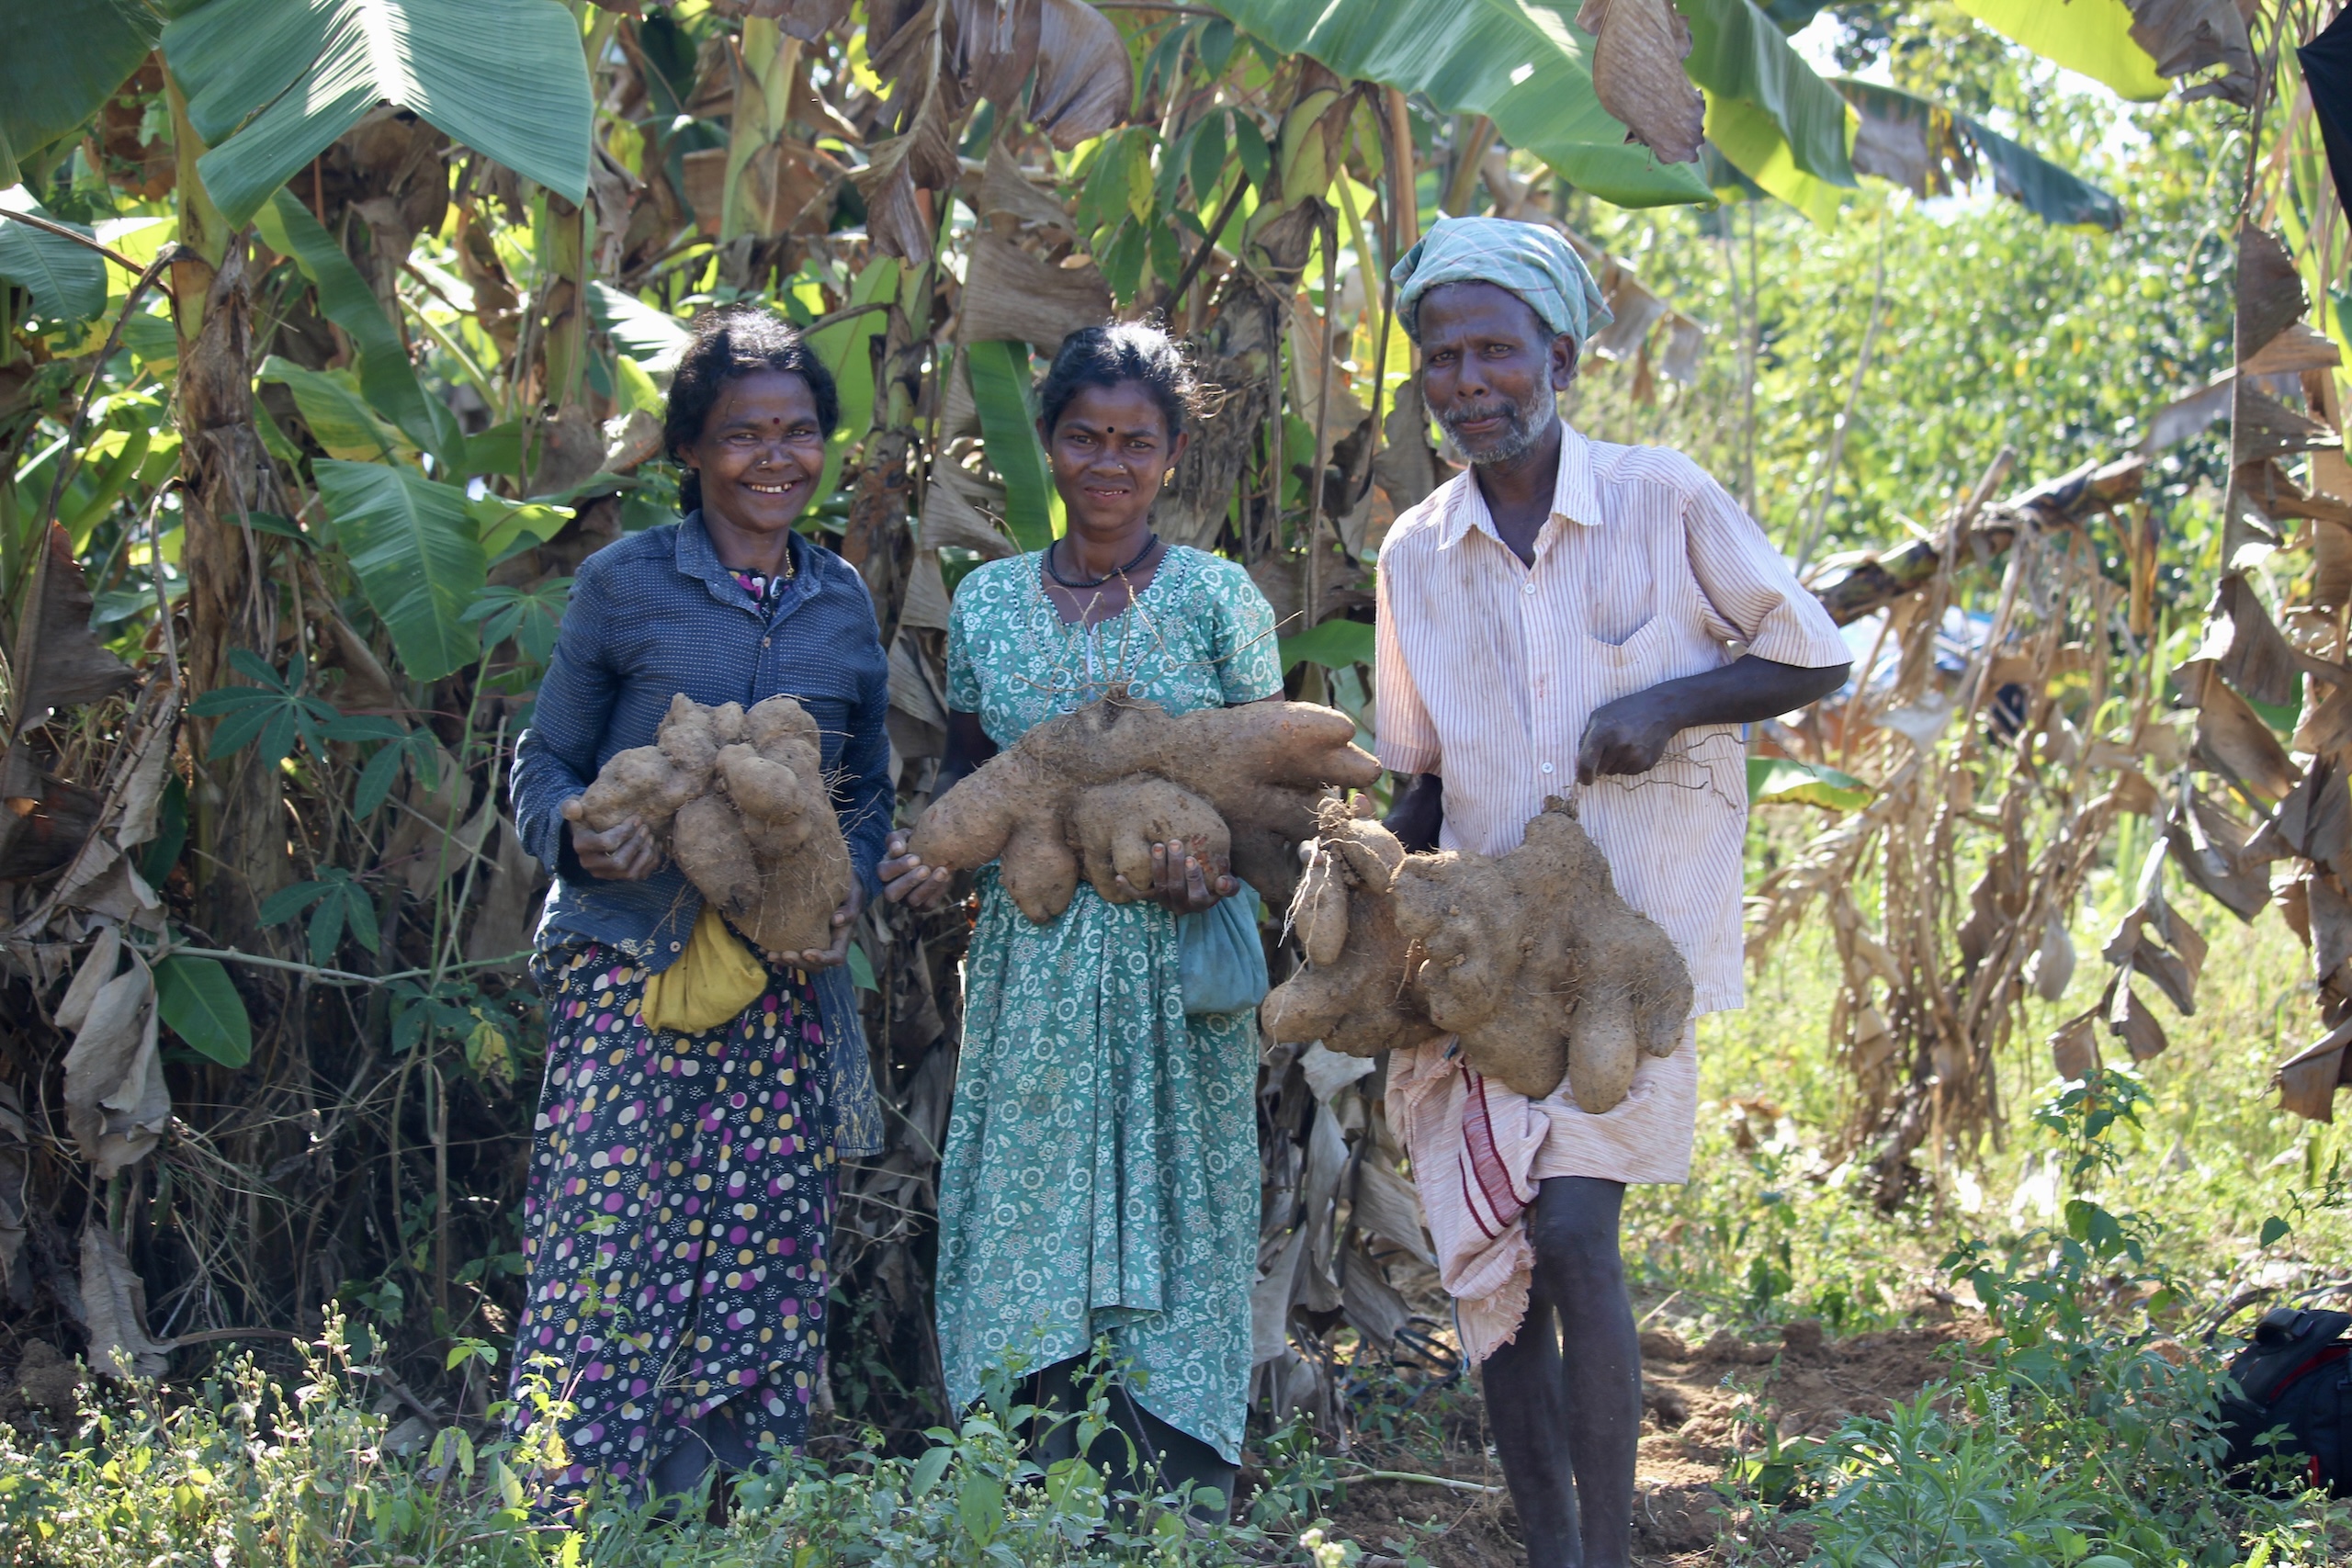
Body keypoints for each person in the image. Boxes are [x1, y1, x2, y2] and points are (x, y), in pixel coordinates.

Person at [1372, 217, 1850, 1568]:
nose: (1467, 380)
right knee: (1502, 1268)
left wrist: (1672, 703)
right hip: (1484, 968)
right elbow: (1418, 778)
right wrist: (1364, 915)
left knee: (1579, 1229)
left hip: (1630, 959)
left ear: (1561, 356)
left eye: (1494, 350)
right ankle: (1548, 1546)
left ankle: (1602, 1556)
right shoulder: (1417, 550)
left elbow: (1811, 657)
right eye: (1440, 356)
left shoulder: (1663, 498)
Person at [877, 322, 1276, 1514]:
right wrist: (934, 866)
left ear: (1173, 453)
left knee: (1183, 1201)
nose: (1110, 464)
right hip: (1032, 965)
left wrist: (1217, 871)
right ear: (1046, 445)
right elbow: (971, 782)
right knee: (1025, 1201)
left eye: (1136, 443)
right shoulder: (991, 602)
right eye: (1085, 438)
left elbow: (1269, 796)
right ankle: (1021, 1475)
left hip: (1180, 974)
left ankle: (1169, 1483)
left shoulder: (1217, 601)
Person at [505, 304, 892, 1503]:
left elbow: (868, 792)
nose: (773, 458)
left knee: (761, 1250)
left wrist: (848, 886)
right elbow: (545, 761)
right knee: (606, 1238)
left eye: (795, 433)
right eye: (742, 435)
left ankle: (722, 1508)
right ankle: (573, 1508)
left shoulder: (842, 606)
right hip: (635, 963)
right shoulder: (625, 585)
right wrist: (581, 838)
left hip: (779, 986)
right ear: (690, 453)